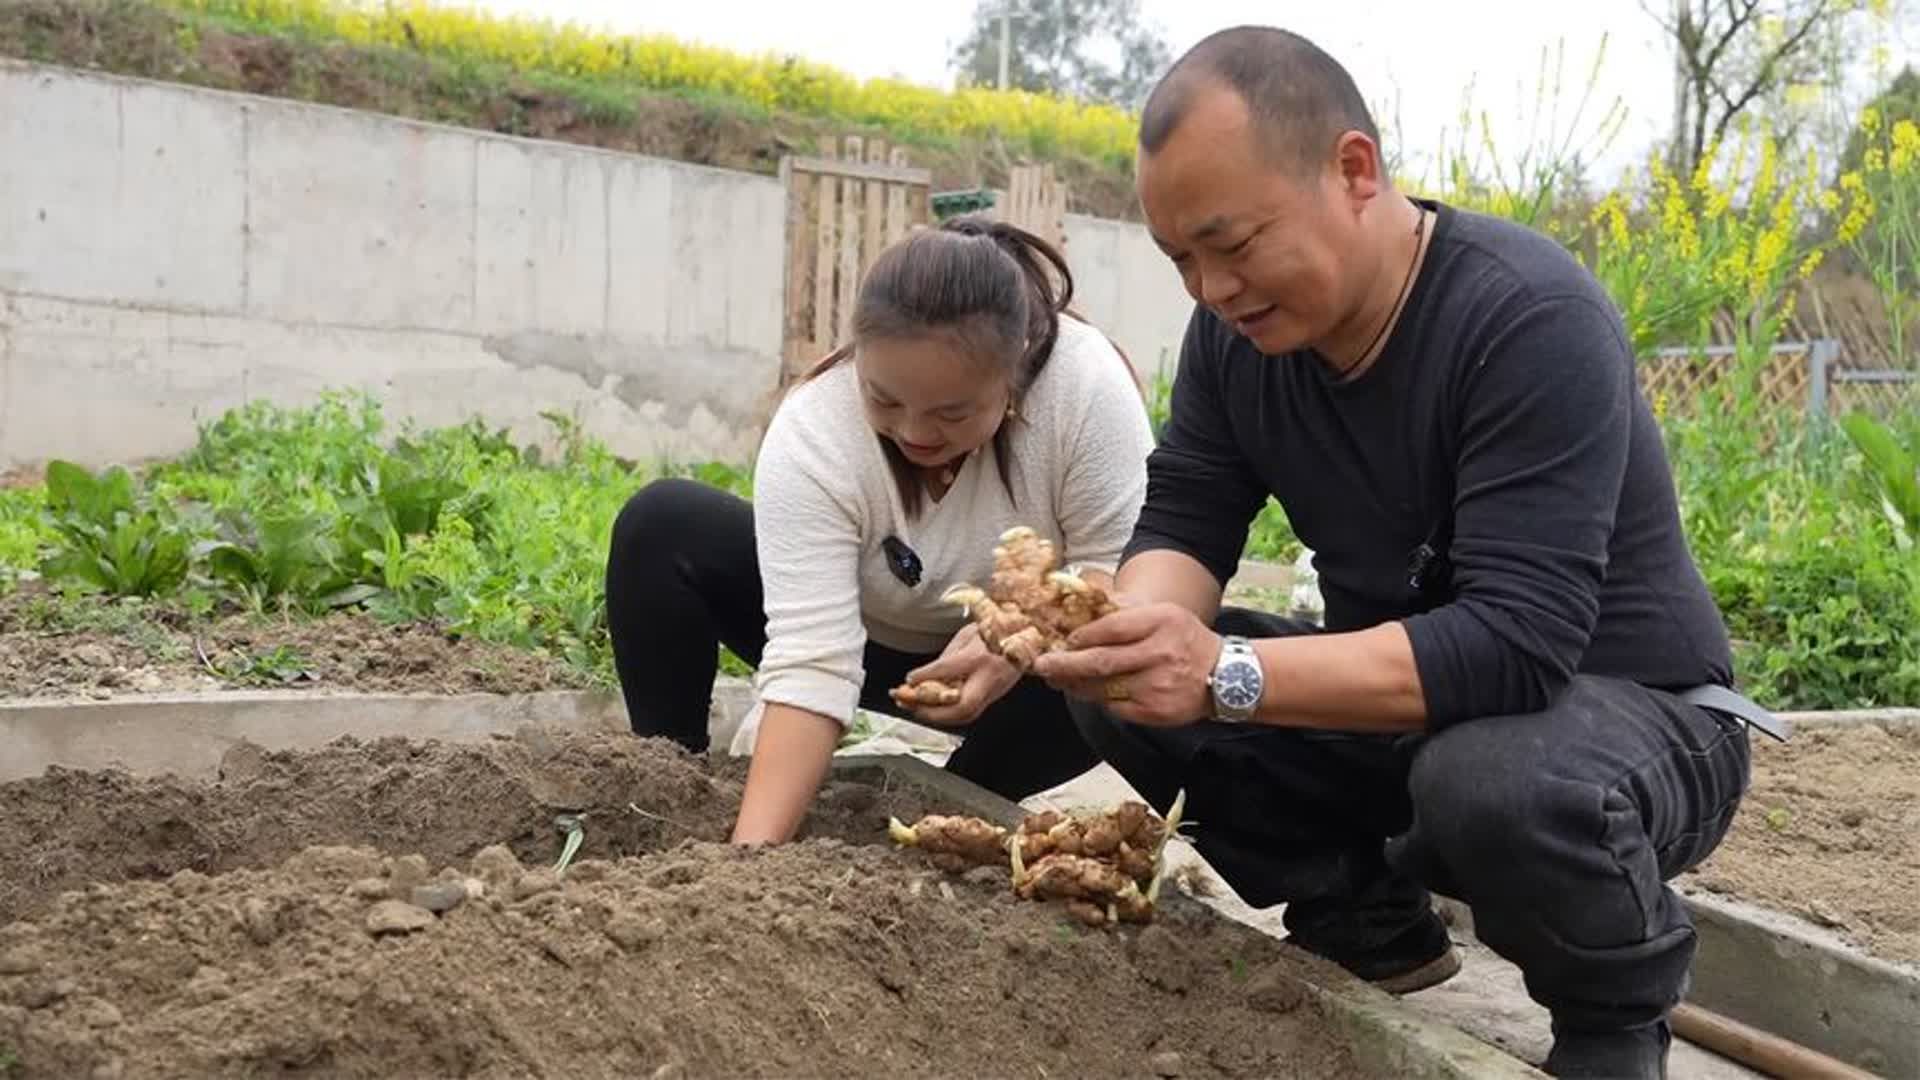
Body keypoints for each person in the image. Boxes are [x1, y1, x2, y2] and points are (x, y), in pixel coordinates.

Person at [1026, 26, 1784, 1080]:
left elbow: (1518, 649)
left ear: (1354, 171)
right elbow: (1187, 521)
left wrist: (1224, 673)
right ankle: (1369, 923)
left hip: (1632, 721)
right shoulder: (1236, 344)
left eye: (1232, 245)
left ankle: (1612, 1026)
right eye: (1180, 260)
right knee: (1122, 686)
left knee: (1491, 780)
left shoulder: (1525, 317)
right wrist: (1135, 631)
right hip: (1417, 710)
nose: (1210, 288)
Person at [604, 215, 1157, 846]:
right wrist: (748, 858)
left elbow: (1124, 570)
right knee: (663, 524)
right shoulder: (816, 429)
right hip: (866, 642)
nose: (917, 432)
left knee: (1129, 656)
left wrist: (1029, 633)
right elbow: (813, 662)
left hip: (1023, 693)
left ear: (1013, 380)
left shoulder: (1083, 390)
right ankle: (674, 786)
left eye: (953, 412)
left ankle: (965, 800)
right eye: (885, 400)